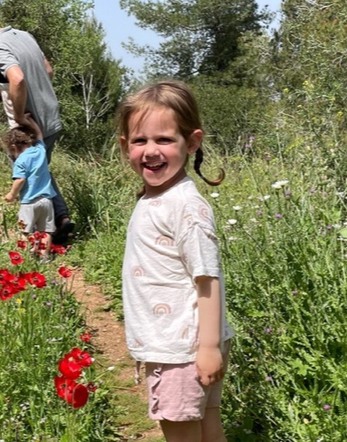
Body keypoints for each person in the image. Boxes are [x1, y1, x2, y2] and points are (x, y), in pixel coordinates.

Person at [116, 80, 233, 442]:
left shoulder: (185, 206)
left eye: (164, 139)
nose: (151, 151)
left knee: (182, 433)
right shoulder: (156, 196)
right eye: (140, 140)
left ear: (192, 141)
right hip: (185, 344)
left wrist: (209, 348)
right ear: (125, 146)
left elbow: (206, 278)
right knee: (207, 428)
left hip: (181, 349)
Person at [0, 12, 74, 244]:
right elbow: (47, 69)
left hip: (28, 128)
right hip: (51, 118)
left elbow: (17, 79)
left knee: (27, 177)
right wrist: (14, 95)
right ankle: (61, 220)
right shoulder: (23, 35)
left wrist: (20, 114)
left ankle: (39, 235)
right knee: (40, 170)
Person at [1, 124, 57, 255]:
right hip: (46, 200)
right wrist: (30, 121)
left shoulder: (20, 161)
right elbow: (39, 135)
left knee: (25, 231)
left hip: (29, 202)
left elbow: (20, 179)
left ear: (13, 147)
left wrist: (11, 194)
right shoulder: (40, 150)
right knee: (45, 232)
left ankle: (25, 257)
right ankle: (44, 259)